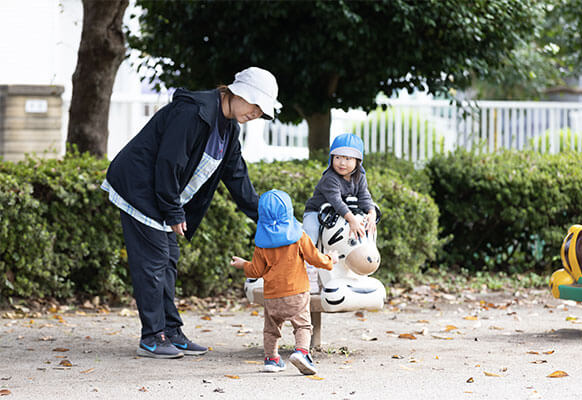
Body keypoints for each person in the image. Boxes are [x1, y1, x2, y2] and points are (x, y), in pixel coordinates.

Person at [101, 67, 281, 359]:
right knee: (154, 262)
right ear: (236, 93)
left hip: (161, 195)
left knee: (168, 260)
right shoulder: (194, 111)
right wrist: (173, 212)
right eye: (255, 104)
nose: (257, 113)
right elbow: (168, 163)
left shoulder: (229, 129)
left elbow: (237, 179)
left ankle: (170, 331)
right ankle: (152, 337)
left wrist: (269, 219)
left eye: (262, 110)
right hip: (139, 188)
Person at [230, 189, 337, 375]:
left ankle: (271, 359)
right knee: (302, 325)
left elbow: (256, 271)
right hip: (297, 292)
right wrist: (330, 260)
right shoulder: (299, 237)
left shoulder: (262, 243)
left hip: (272, 295)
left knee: (271, 329)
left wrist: (242, 264)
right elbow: (315, 259)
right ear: (288, 211)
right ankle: (302, 352)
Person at [302, 133, 377, 289]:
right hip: (318, 212)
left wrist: (371, 213)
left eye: (348, 159)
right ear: (332, 158)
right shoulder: (330, 178)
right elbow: (336, 201)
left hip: (341, 215)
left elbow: (364, 196)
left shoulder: (360, 177)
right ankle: (310, 272)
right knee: (311, 235)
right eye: (338, 157)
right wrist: (352, 219)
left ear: (358, 161)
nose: (342, 163)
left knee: (364, 229)